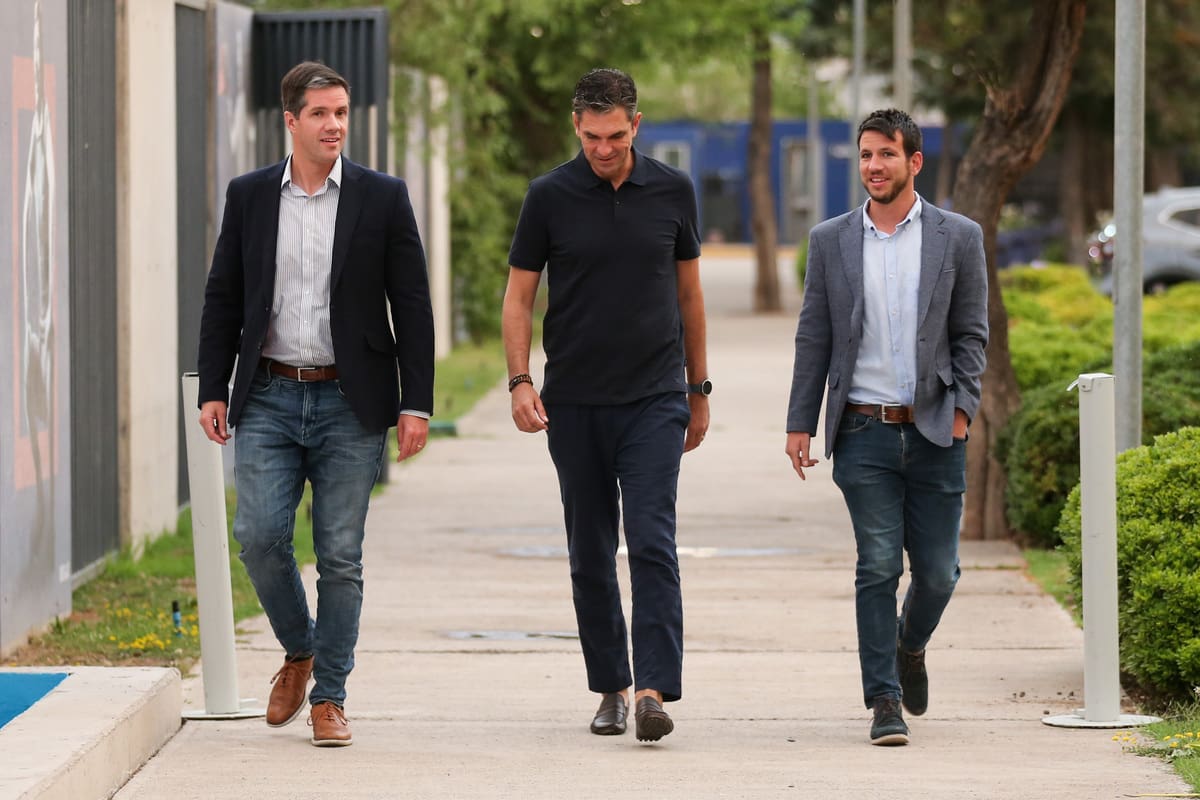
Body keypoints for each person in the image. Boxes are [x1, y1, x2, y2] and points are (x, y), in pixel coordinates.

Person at [197, 60, 434, 748]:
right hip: (268, 392)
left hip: (350, 401)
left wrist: (415, 401)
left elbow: (412, 305)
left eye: (341, 113)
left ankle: (329, 696)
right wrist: (216, 384)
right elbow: (223, 295)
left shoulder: (382, 197)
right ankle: (299, 649)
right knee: (260, 538)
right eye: (321, 114)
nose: (334, 125)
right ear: (291, 121)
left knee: (340, 555)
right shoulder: (249, 197)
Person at [501, 68, 709, 743]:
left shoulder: (673, 192)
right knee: (590, 551)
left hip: (655, 398)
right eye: (592, 137)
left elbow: (690, 298)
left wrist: (698, 389)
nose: (603, 148)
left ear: (636, 126)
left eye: (615, 136)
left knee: (651, 539)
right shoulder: (549, 197)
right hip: (576, 403)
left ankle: (652, 688)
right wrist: (519, 380)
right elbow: (519, 298)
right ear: (576, 126)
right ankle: (611, 688)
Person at [784, 108, 988, 746]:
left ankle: (910, 645)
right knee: (876, 564)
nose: (873, 166)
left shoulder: (959, 237)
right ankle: (884, 700)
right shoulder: (831, 240)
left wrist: (960, 413)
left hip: (934, 428)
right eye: (866, 155)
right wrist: (800, 423)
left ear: (914, 162)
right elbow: (813, 336)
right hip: (863, 431)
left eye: (886, 155)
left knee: (937, 573)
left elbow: (972, 333)